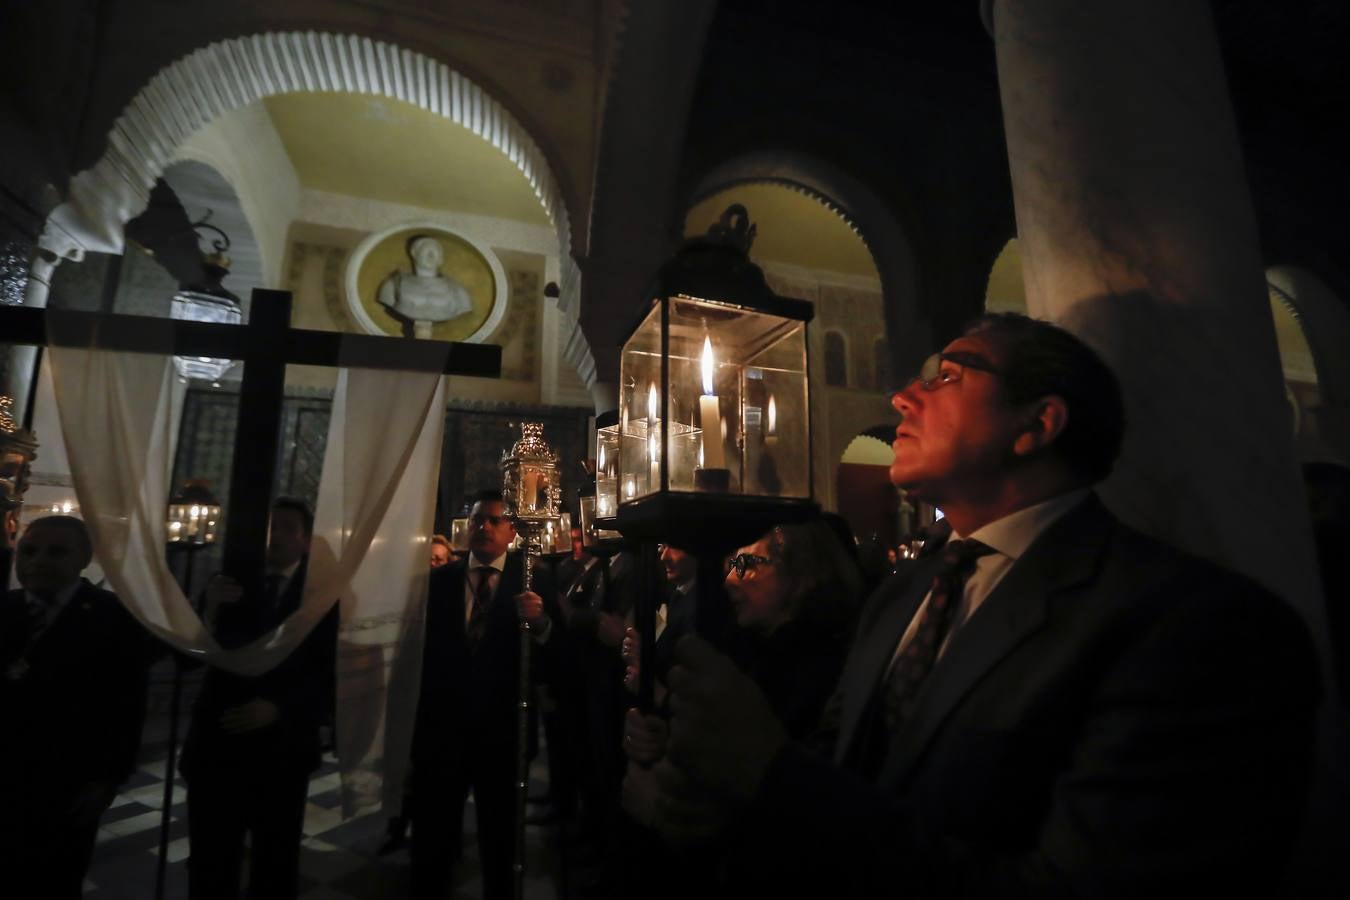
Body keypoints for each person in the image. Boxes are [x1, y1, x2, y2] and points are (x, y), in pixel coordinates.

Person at [648, 313, 1320, 898]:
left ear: (1037, 424)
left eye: (948, 376)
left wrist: (771, 775)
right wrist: (720, 790)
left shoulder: (1192, 626)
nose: (901, 396)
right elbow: (844, 768)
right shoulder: (903, 597)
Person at [181, 497, 338, 900]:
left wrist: (282, 707)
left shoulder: (321, 596)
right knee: (211, 859)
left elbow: (329, 671)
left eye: (288, 528)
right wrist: (210, 608)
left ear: (305, 542)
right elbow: (188, 660)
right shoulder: (229, 583)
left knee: (275, 859)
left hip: (281, 751)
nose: (275, 536)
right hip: (218, 745)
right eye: (269, 526)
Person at [0, 515, 157, 899]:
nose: (38, 561)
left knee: (54, 879)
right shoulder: (3, 608)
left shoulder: (114, 617)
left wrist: (108, 778)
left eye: (57, 552)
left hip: (67, 781)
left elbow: (126, 704)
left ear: (84, 558)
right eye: (30, 550)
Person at [409, 490, 554, 900]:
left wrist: (541, 623)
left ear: (511, 531)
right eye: (476, 520)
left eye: (493, 520)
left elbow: (554, 649)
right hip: (444, 728)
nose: (483, 527)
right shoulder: (440, 581)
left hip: (502, 729)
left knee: (500, 836)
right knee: (434, 833)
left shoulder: (533, 579)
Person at [376, 235, 473, 331]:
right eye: (426, 250)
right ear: (414, 253)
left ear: (441, 258)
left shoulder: (457, 290)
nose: (431, 255)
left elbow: (465, 308)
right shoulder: (393, 286)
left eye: (436, 251)